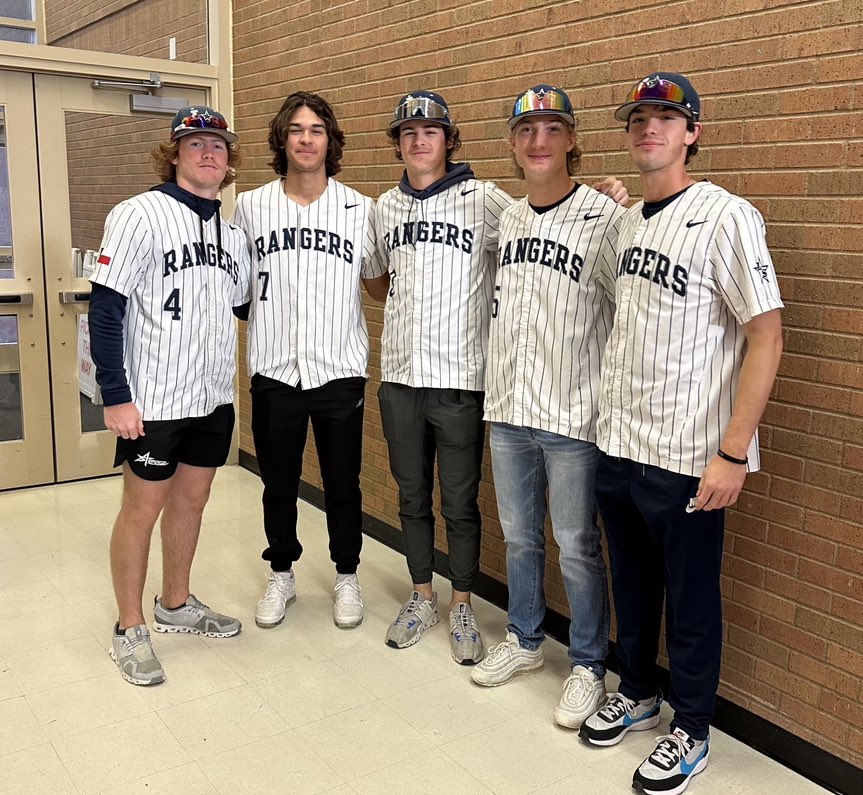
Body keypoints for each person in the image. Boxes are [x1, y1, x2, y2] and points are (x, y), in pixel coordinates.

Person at [580, 72, 783, 795]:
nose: (648, 130)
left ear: (691, 131)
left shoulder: (727, 216)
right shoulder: (629, 220)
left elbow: (765, 335)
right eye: (637, 119)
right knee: (630, 585)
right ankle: (637, 689)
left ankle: (691, 727)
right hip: (621, 443)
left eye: (665, 118)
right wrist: (607, 206)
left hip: (691, 454)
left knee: (690, 599)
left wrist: (732, 451)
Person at [469, 85, 627, 731]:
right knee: (518, 536)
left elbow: (632, 308)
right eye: (525, 129)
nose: (537, 140)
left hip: (572, 413)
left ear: (570, 140)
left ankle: (589, 663)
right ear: (512, 143)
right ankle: (526, 639)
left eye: (550, 128)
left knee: (576, 544)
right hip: (507, 405)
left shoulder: (607, 216)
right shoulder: (505, 216)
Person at [89, 105, 251, 686]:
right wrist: (115, 393)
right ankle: (130, 628)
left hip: (211, 396)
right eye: (196, 143)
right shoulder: (138, 215)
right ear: (175, 153)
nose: (209, 153)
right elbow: (106, 308)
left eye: (219, 145)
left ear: (229, 160)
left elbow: (243, 306)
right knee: (141, 511)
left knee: (191, 503)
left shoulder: (233, 234)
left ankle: (175, 604)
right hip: (153, 400)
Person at [231, 92, 389, 631]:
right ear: (282, 139)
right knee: (278, 482)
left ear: (330, 140)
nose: (305, 138)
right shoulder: (251, 207)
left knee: (343, 483)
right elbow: (238, 288)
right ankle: (282, 572)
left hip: (338, 366)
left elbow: (377, 283)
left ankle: (347, 575)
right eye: (296, 129)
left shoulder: (358, 208)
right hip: (275, 366)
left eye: (316, 129)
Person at [372, 91, 513, 664]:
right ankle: (421, 594)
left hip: (459, 378)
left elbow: (530, 247)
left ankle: (461, 604)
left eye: (430, 131)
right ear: (399, 143)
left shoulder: (486, 201)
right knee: (411, 496)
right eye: (408, 133)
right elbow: (378, 280)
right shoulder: (385, 207)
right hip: (401, 377)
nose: (418, 140)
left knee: (458, 500)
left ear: (449, 139)